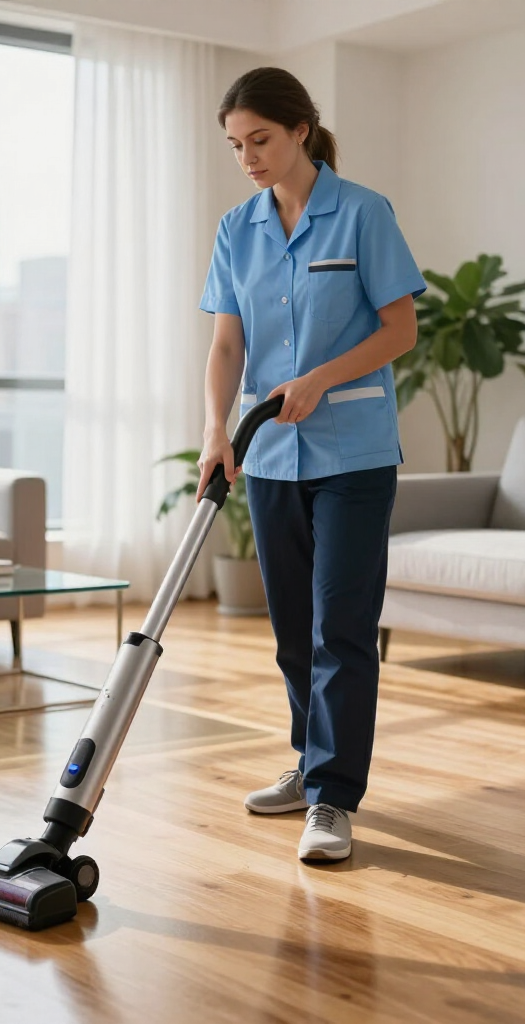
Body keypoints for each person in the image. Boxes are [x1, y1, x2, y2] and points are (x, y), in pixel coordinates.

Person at [196, 67, 425, 862]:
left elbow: (401, 330)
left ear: (300, 130)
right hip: (270, 456)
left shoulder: (362, 213)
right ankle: (306, 762)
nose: (248, 156)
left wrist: (322, 378)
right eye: (235, 145)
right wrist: (214, 430)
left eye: (259, 139)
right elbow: (227, 343)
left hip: (354, 454)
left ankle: (333, 797)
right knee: (293, 630)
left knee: (342, 627)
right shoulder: (237, 229)